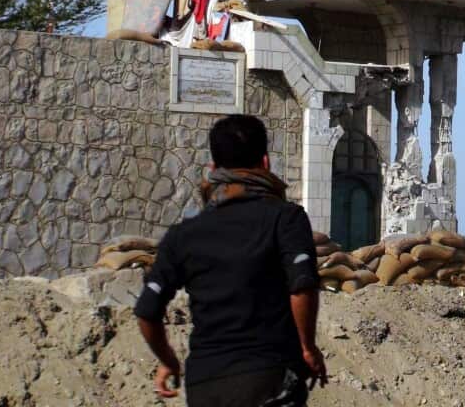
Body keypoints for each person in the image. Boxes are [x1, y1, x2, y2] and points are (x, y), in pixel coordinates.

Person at [134, 115, 327, 407]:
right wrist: (307, 347)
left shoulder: (184, 234)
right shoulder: (285, 218)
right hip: (269, 377)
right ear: (265, 163)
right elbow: (301, 287)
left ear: (213, 168)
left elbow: (147, 311)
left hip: (206, 385)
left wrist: (169, 361)